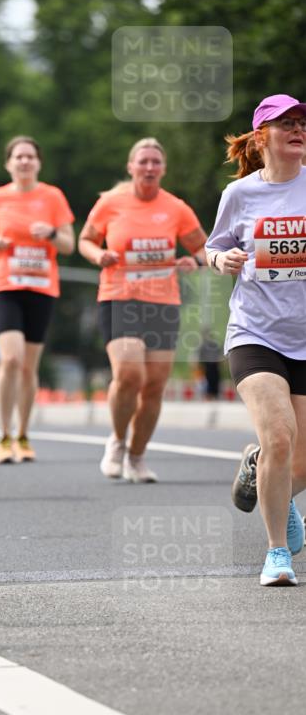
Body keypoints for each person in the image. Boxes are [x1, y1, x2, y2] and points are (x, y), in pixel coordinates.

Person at [206, 94, 306, 586]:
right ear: (261, 136)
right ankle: (277, 554)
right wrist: (221, 260)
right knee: (280, 437)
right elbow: (215, 244)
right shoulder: (241, 195)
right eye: (286, 123)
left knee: (298, 459)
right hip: (255, 333)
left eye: (302, 123)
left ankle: (259, 470)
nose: (298, 130)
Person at [79, 138, 208, 482]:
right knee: (130, 374)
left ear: (163, 169)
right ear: (131, 167)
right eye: (143, 161)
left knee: (153, 385)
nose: (149, 167)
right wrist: (98, 255)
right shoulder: (111, 204)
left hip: (162, 302)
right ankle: (117, 441)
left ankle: (137, 457)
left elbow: (205, 248)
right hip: (119, 296)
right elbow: (86, 240)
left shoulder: (176, 208)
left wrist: (192, 260)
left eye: (155, 162)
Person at [0, 136, 75, 463]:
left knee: (28, 366)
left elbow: (68, 244)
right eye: (18, 157)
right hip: (5, 285)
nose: (24, 162)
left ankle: (23, 434)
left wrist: (49, 233)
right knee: (11, 358)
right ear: (8, 163)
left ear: (38, 162)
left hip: (40, 287)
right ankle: (3, 436)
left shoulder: (52, 196)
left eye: (30, 157)